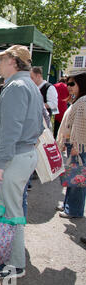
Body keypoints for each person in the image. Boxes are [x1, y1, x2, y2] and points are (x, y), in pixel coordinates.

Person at [0, 45, 44, 281]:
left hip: (14, 158)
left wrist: (0, 162)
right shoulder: (30, 85)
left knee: (11, 211)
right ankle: (12, 260)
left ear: (13, 61)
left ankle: (14, 266)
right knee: (13, 208)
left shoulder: (17, 87)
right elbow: (38, 126)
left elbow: (11, 130)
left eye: (2, 59)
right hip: (23, 154)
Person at [55, 72, 86, 219]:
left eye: (72, 84)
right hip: (75, 145)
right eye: (68, 83)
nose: (69, 87)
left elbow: (80, 127)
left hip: (78, 147)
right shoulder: (79, 100)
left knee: (78, 180)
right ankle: (69, 205)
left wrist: (75, 146)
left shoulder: (83, 101)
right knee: (73, 178)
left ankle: (73, 209)